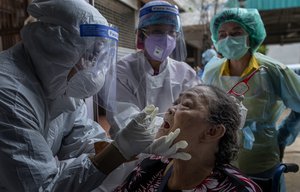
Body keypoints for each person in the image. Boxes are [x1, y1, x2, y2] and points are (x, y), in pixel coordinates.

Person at [0, 0, 189, 191]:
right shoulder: (9, 96)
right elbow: (42, 186)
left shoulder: (58, 81)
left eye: (95, 56)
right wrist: (119, 151)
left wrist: (135, 149)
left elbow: (83, 140)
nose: (89, 67)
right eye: (88, 55)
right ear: (55, 46)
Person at [202, 8, 300, 191]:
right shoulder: (212, 71)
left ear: (251, 35)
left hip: (262, 159)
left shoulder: (273, 70)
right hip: (222, 159)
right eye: (222, 34)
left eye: (236, 33)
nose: (228, 39)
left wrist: (283, 136)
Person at [112, 85, 262, 192]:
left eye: (186, 105)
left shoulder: (237, 188)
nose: (171, 109)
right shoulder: (151, 165)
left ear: (212, 132)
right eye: (176, 103)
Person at [108, 0, 201, 137]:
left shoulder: (186, 73)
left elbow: (195, 113)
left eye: (171, 32)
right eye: (158, 31)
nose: (166, 38)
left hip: (174, 146)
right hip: (130, 152)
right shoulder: (122, 70)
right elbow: (124, 119)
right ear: (141, 35)